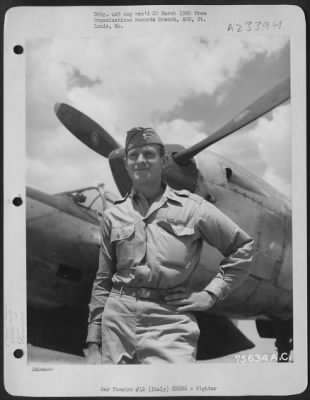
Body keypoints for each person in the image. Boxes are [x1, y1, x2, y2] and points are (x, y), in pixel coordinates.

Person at [86, 127, 254, 364]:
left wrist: (211, 294)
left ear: (164, 161)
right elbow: (103, 281)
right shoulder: (113, 215)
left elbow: (242, 247)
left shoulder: (194, 208)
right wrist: (94, 340)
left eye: (148, 154)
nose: (140, 161)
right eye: (133, 156)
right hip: (117, 324)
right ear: (126, 163)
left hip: (169, 321)